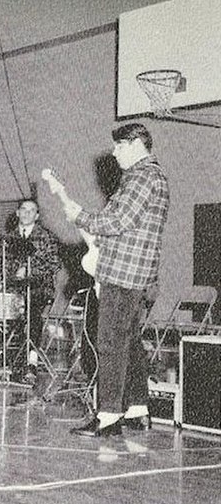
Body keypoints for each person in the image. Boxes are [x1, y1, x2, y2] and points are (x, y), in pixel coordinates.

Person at [63, 123, 169, 436]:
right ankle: (138, 410)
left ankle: (108, 416)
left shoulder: (141, 175)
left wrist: (81, 216)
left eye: (119, 146)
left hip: (123, 273)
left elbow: (119, 219)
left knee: (109, 341)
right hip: (138, 273)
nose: (114, 152)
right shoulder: (155, 176)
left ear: (135, 144)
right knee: (130, 342)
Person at [6, 198, 61, 386]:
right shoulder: (9, 238)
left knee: (32, 312)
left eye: (32, 210)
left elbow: (54, 264)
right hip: (15, 289)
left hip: (40, 289)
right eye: (24, 209)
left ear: (37, 216)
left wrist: (30, 271)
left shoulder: (47, 237)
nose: (27, 213)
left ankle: (31, 361)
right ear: (17, 213)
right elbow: (4, 264)